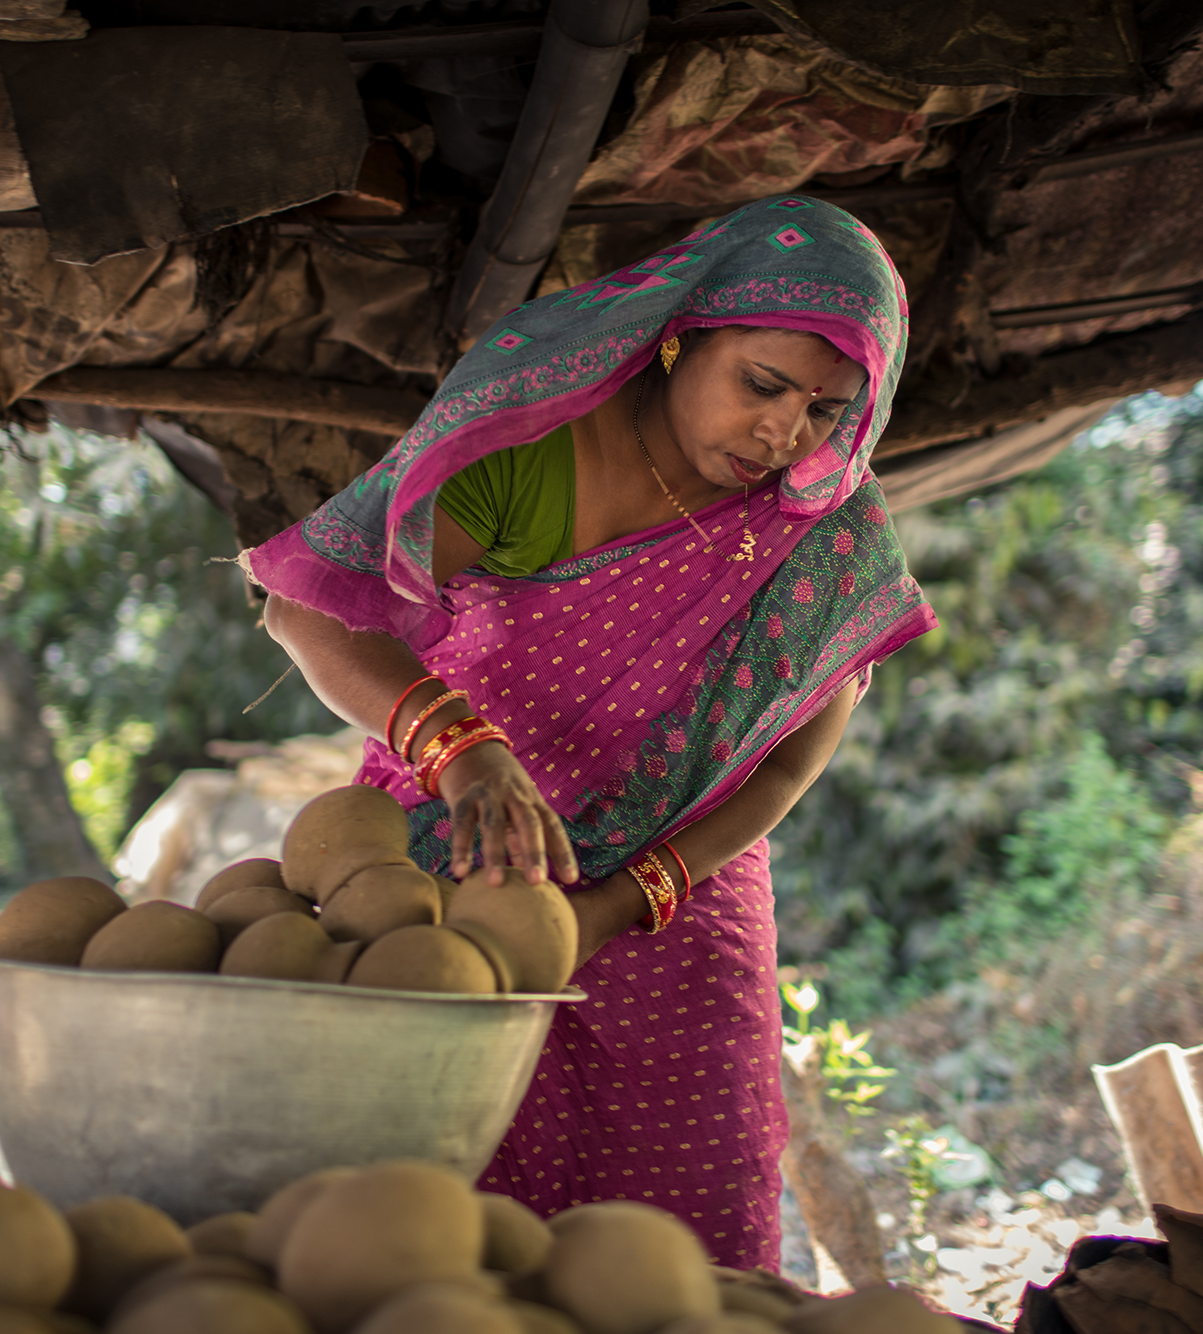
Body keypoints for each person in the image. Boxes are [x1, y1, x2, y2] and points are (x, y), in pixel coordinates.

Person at [245, 195, 936, 1268]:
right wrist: (465, 753)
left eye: (825, 409)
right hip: (442, 864)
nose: (783, 433)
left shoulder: (821, 533)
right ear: (679, 334)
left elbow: (792, 755)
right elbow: (309, 607)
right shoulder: (531, 438)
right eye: (760, 385)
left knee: (676, 1240)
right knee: (419, 1225)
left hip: (678, 893)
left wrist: (630, 897)